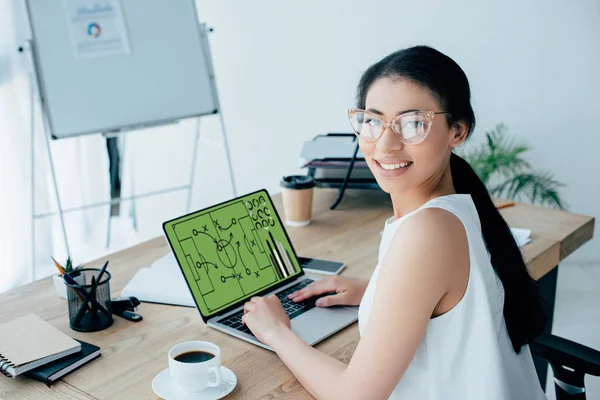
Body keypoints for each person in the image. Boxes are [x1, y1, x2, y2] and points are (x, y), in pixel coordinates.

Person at [241, 45, 547, 400]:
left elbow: (353, 396)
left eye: (413, 123)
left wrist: (276, 331)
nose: (385, 144)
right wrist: (377, 292)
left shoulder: (427, 231)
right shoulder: (454, 206)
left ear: (457, 131)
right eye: (373, 121)